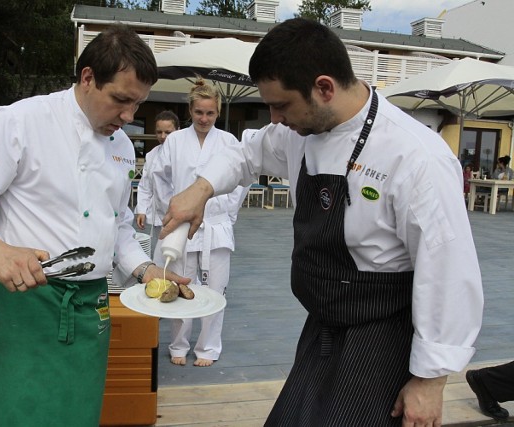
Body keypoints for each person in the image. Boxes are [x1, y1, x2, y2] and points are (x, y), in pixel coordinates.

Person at [160, 18, 483, 425]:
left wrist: (430, 380)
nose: (274, 119)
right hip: (323, 325)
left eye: (281, 105)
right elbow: (246, 154)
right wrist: (201, 189)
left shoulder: (417, 157)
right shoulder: (298, 131)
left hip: (382, 332)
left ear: (324, 88)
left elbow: (450, 273)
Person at [0, 26, 189, 427]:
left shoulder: (119, 146)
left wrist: (146, 269)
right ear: (87, 78)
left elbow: (116, 224)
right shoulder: (19, 121)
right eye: (120, 100)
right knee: (15, 413)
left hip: (92, 308)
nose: (130, 117)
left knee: (77, 414)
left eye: (138, 104)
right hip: (29, 304)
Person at [152, 78, 247, 367]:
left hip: (216, 227)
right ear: (190, 111)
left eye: (210, 113)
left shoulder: (229, 141)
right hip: (182, 226)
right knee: (180, 286)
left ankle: (208, 347)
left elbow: (241, 182)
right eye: (199, 113)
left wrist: (227, 215)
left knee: (216, 290)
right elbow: (159, 178)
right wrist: (172, 210)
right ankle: (178, 344)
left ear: (217, 113)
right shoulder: (176, 141)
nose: (204, 119)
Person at [135, 110, 180, 260]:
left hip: (180, 216)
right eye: (159, 132)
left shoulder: (184, 154)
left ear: (178, 131)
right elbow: (145, 185)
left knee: (178, 258)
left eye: (168, 132)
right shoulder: (152, 154)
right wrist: (142, 209)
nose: (162, 136)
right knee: (159, 257)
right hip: (159, 215)